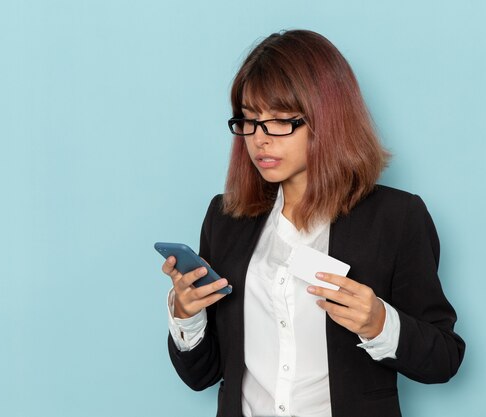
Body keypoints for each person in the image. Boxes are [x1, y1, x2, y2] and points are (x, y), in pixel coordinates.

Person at [161, 29, 465, 417]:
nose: (260, 139)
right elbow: (202, 375)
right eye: (250, 121)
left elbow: (444, 359)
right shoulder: (225, 219)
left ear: (329, 118)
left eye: (281, 121)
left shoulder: (397, 218)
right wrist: (188, 316)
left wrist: (379, 322)